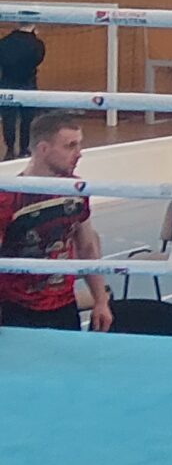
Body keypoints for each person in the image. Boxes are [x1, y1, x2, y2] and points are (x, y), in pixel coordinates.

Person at [0, 112, 112, 331]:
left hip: (64, 306)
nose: (79, 154)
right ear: (43, 149)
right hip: (16, 309)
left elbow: (87, 247)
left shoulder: (76, 190)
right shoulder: (8, 197)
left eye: (79, 144)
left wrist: (100, 300)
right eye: (70, 146)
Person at [1, 22, 47, 160]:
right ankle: (24, 149)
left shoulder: (3, 43)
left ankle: (9, 149)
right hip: (28, 84)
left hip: (7, 83)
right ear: (33, 26)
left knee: (8, 119)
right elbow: (37, 60)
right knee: (27, 119)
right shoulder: (37, 45)